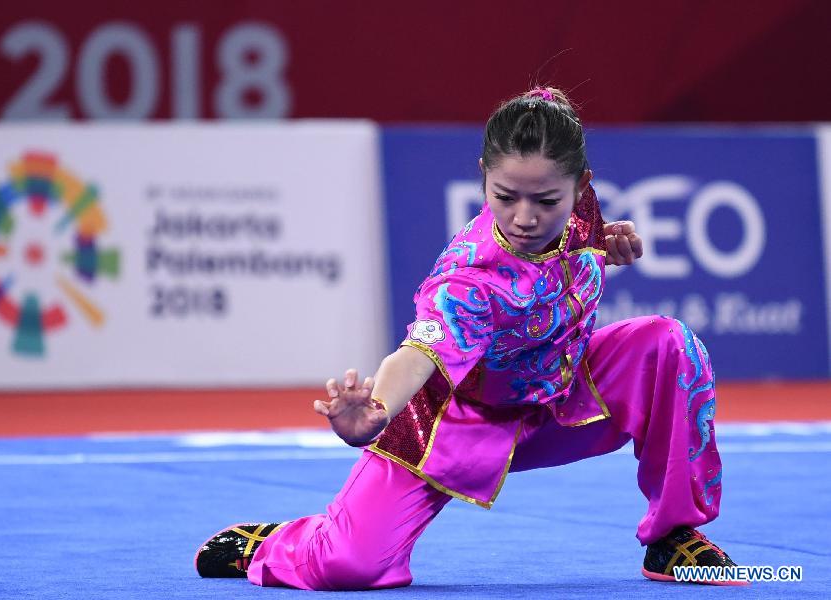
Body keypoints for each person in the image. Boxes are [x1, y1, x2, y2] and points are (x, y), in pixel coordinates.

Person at [194, 86, 741, 589]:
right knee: (348, 566)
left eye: (546, 201)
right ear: (483, 177)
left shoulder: (579, 213)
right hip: (454, 422)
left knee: (669, 343)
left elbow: (580, 244)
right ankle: (280, 542)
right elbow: (417, 354)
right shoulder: (468, 282)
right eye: (505, 196)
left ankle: (673, 537)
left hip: (561, 400)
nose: (525, 218)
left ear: (581, 186)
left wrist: (613, 241)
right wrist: (378, 409)